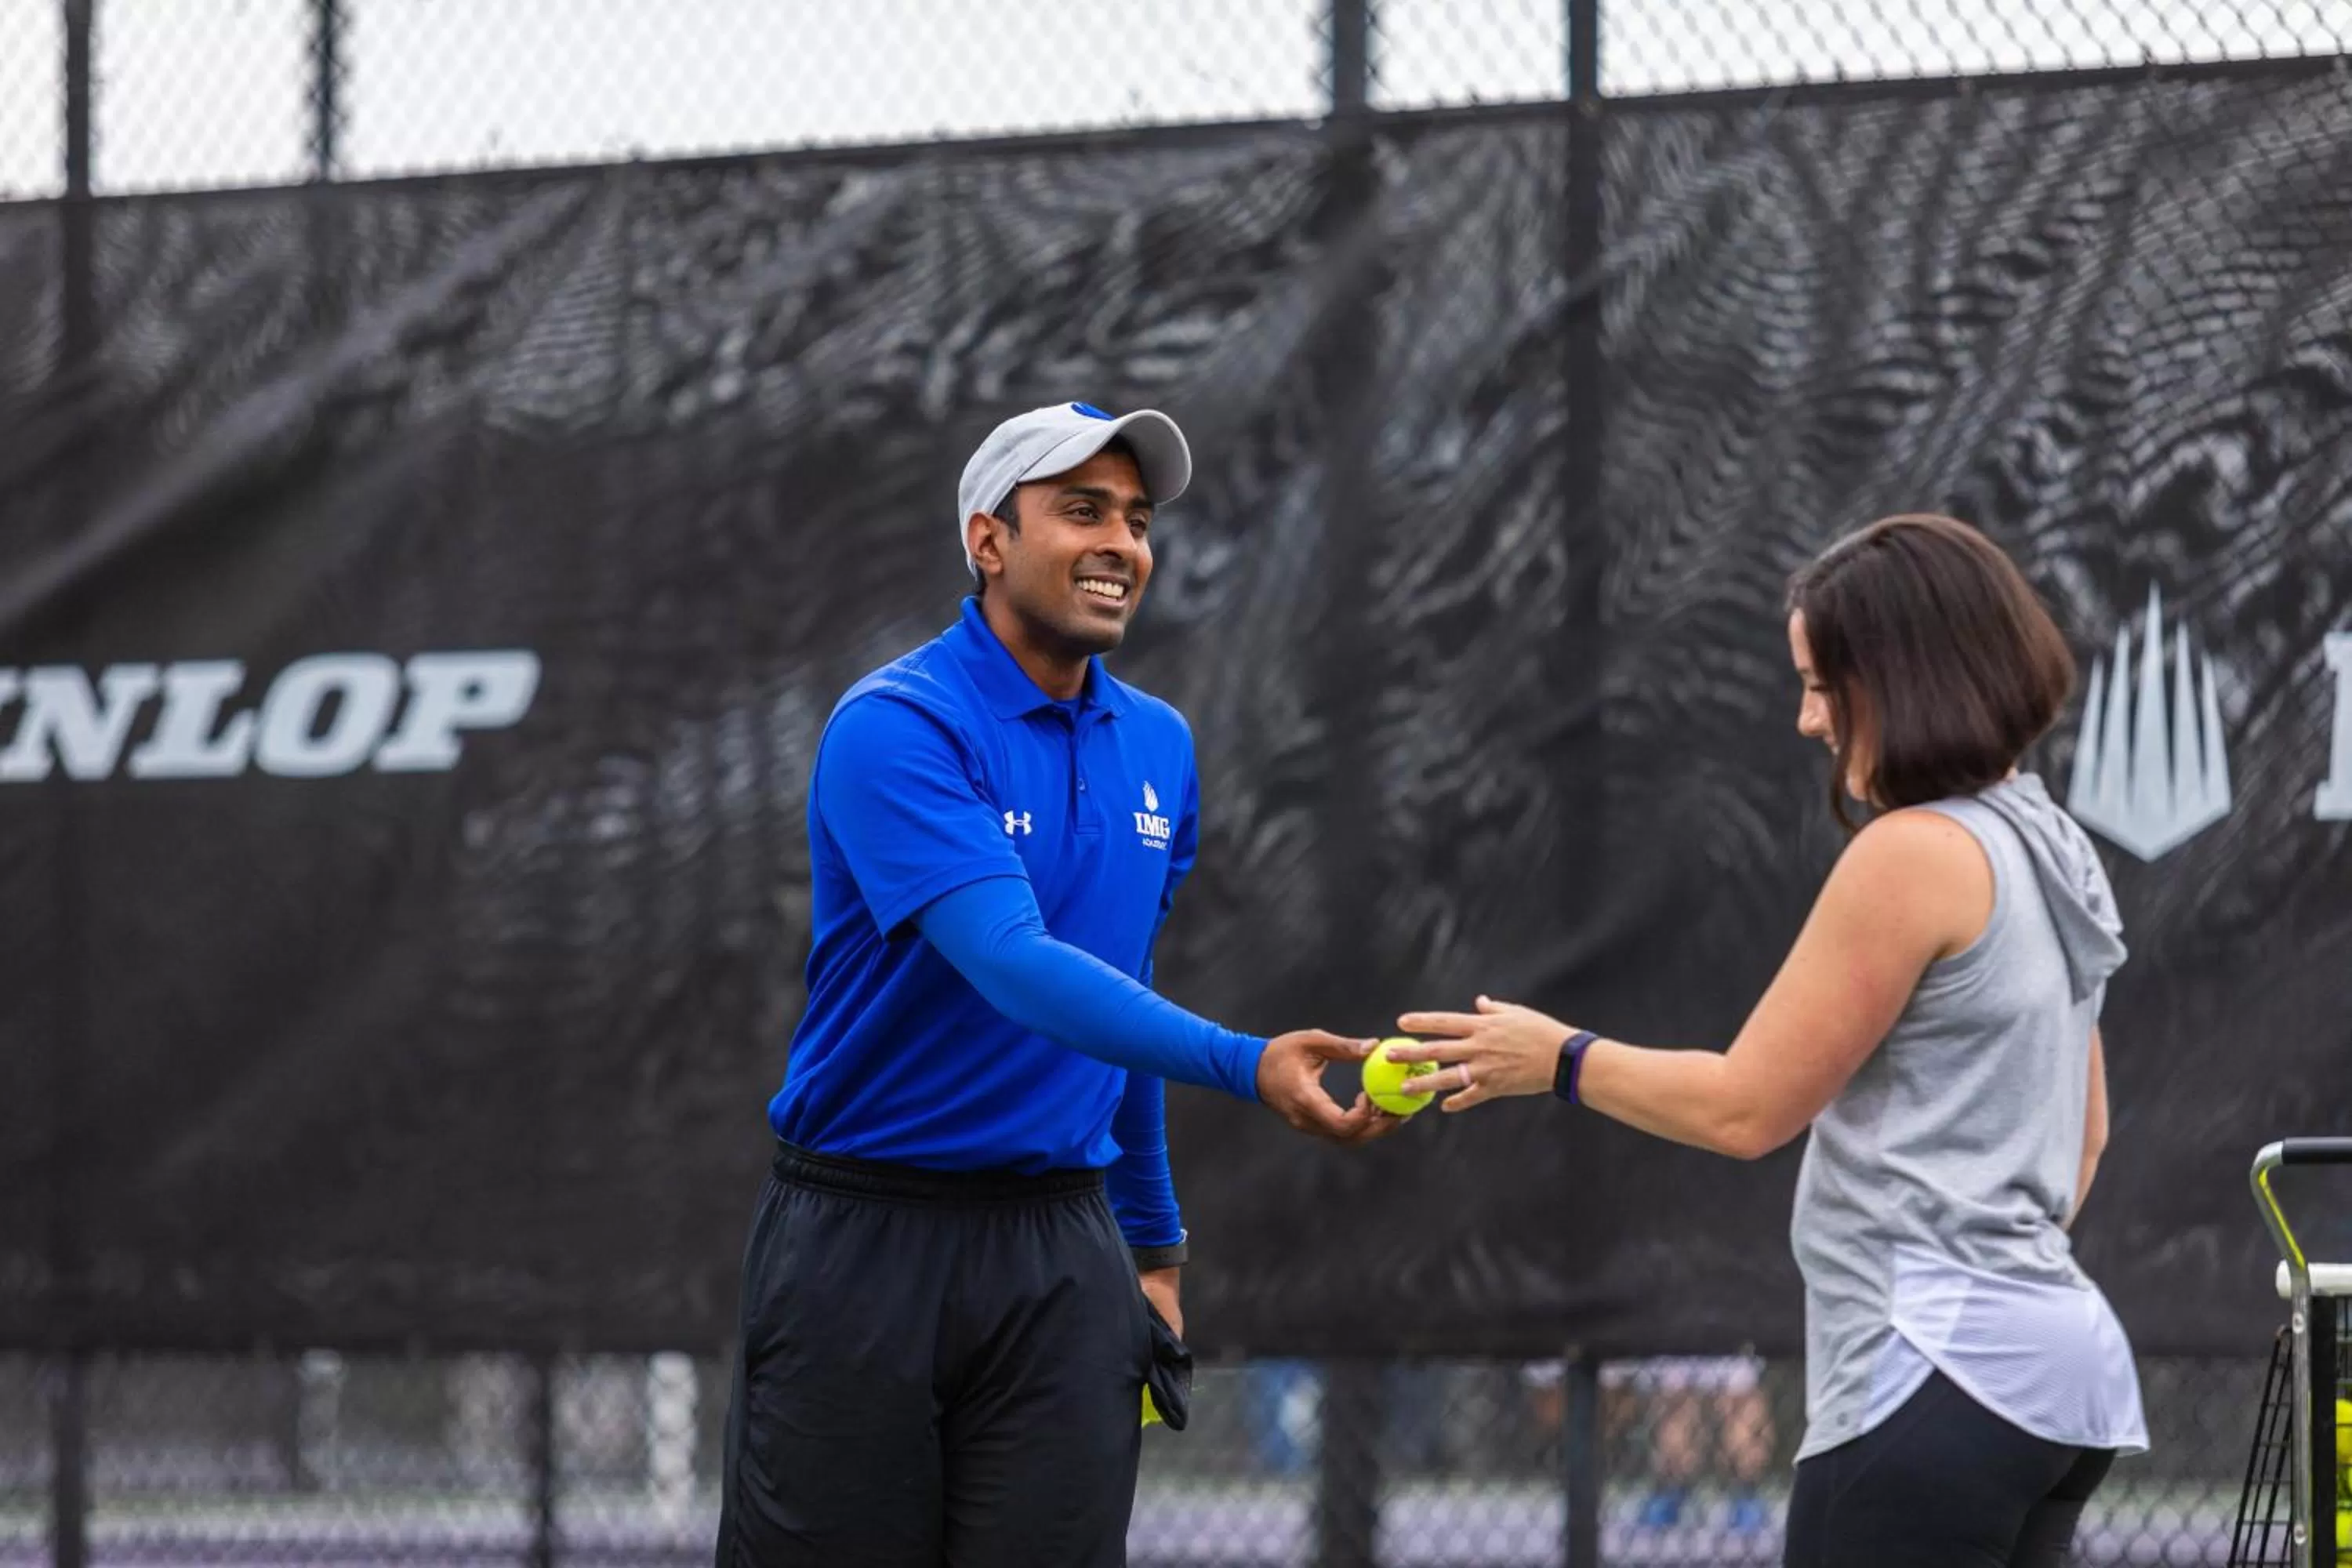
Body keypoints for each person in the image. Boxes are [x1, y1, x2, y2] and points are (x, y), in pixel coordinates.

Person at [1388, 514, 2150, 1566]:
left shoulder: (1913, 854)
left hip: (1931, 1379)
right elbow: (2089, 1135)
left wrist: (1557, 1057)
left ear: (1903, 672)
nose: (1806, 720)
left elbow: (1747, 1109)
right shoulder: (2054, 843)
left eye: (1821, 684)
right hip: (2060, 1375)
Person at [715, 401, 1396, 1568]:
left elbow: (1113, 1001)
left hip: (1062, 1261)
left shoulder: (1162, 747)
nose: (1121, 544)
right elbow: (1018, 970)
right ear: (988, 540)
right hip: (861, 1250)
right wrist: (1248, 1063)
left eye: (1135, 520)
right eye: (1081, 510)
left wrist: (1154, 1246)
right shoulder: (898, 726)